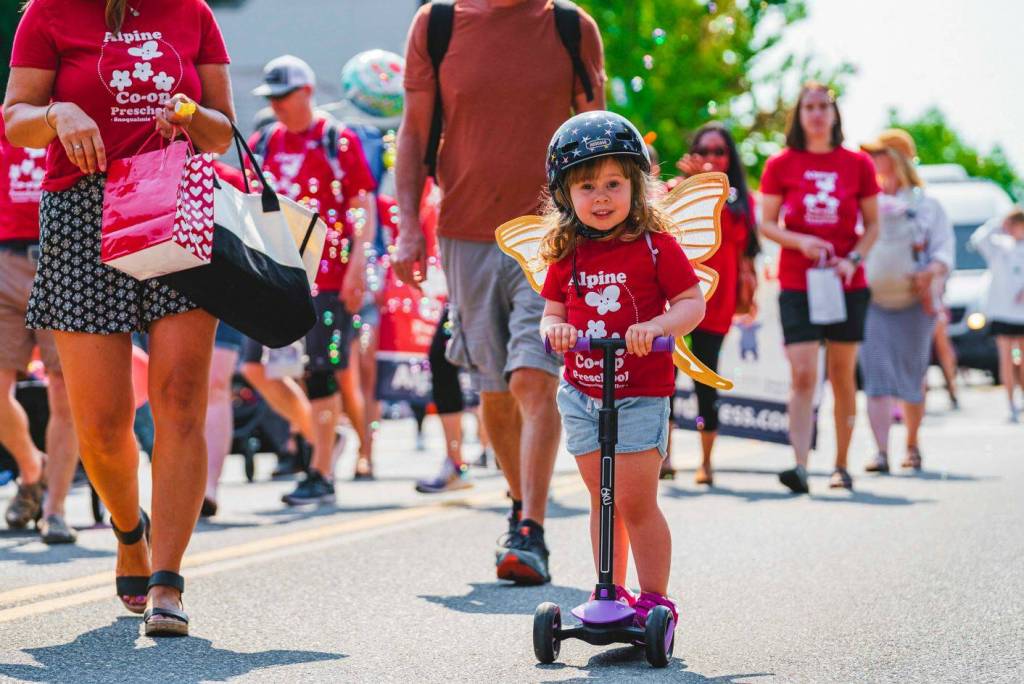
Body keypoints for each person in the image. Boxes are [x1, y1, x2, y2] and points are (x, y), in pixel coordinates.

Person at [5, 0, 234, 637]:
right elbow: (15, 121)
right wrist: (55, 112)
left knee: (180, 400)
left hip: (179, 203)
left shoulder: (192, 12)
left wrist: (191, 113)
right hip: (81, 215)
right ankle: (130, 530)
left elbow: (223, 132)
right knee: (102, 423)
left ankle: (167, 580)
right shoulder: (48, 14)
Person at [394, 0, 605, 585]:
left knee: (532, 374)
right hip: (465, 232)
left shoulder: (569, 27)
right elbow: (412, 134)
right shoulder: (437, 25)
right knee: (493, 387)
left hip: (553, 234)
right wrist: (410, 225)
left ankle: (531, 529)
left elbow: (598, 134)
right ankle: (519, 504)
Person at [539, 111, 705, 624]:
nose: (603, 197)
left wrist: (657, 326)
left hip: (640, 392)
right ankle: (608, 590)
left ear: (637, 185)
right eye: (588, 186)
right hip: (582, 391)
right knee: (601, 497)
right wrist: (556, 331)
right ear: (567, 196)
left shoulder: (658, 247)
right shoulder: (568, 252)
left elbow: (690, 303)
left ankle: (655, 600)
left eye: (614, 183)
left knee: (634, 501)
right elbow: (551, 313)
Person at [242, 55, 378, 505]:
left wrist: (359, 260)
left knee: (323, 370)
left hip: (328, 274)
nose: (277, 105)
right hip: (274, 274)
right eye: (271, 98)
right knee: (255, 368)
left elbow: (362, 203)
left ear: (306, 93)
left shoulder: (336, 139)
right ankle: (323, 438)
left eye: (284, 96)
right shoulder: (264, 143)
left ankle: (320, 469)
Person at [759, 82, 880, 493]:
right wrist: (800, 241)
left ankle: (841, 464)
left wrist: (854, 259)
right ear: (799, 114)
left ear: (834, 114)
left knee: (843, 375)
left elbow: (873, 224)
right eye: (808, 107)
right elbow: (766, 223)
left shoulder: (858, 163)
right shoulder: (781, 163)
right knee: (804, 373)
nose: (815, 114)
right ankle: (799, 464)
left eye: (822, 106)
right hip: (797, 281)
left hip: (847, 282)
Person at [0, 116, 79, 543]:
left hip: (63, 259)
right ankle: (33, 468)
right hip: (5, 260)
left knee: (65, 391)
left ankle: (56, 508)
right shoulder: (9, 122)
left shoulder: (75, 115)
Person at [858, 129, 954, 473]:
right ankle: (881, 451)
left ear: (896, 157)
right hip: (872, 301)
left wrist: (931, 271)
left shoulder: (927, 205)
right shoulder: (865, 202)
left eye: (878, 153)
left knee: (913, 376)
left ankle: (912, 444)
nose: (871, 161)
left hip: (915, 302)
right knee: (877, 377)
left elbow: (944, 249)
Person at [672, 122, 759, 486]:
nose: (710, 158)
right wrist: (689, 188)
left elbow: (737, 239)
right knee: (664, 380)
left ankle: (706, 461)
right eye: (704, 151)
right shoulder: (675, 191)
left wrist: (706, 189)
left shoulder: (738, 201)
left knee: (705, 381)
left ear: (729, 157)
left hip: (715, 301)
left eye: (718, 152)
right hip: (673, 298)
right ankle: (664, 457)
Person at [971, 208, 1024, 422]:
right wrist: (1000, 222)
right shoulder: (1000, 247)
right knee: (1006, 359)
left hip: (1021, 314)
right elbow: (979, 238)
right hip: (1002, 312)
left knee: (1021, 358)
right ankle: (1010, 403)